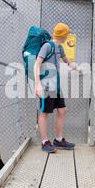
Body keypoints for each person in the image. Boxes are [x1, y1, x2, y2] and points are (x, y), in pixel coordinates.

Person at [33, 22, 81, 153]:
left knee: (62, 110)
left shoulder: (60, 48)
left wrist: (78, 69)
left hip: (57, 86)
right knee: (45, 113)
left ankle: (58, 140)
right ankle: (45, 142)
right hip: (46, 86)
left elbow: (67, 62)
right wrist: (37, 85)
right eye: (67, 33)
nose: (68, 36)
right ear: (63, 35)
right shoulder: (47, 46)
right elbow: (36, 64)